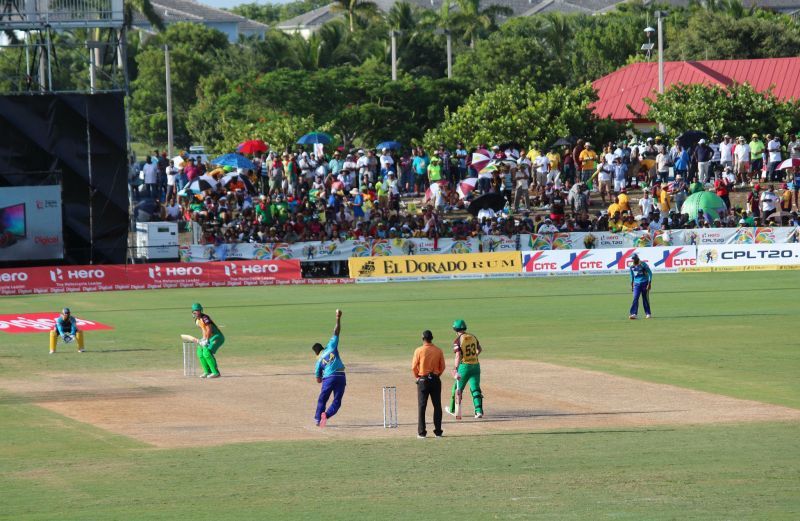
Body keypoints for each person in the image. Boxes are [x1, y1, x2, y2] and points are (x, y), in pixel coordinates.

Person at [312, 309, 346, 428]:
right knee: (337, 402)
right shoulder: (331, 346)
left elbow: (318, 379)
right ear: (323, 347)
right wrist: (338, 317)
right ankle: (326, 415)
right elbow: (336, 332)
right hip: (341, 376)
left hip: (328, 379)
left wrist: (321, 375)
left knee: (322, 399)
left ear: (316, 353)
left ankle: (317, 419)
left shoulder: (318, 362)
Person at [446, 319, 484, 419]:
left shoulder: (458, 340)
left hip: (464, 367)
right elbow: (479, 349)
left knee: (457, 389)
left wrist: (455, 368)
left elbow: (458, 355)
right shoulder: (473, 336)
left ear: (455, 329)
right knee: (475, 389)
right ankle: (478, 411)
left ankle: (452, 409)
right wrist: (474, 356)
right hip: (476, 366)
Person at [411, 329, 445, 438]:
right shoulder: (438, 350)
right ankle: (438, 432)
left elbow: (413, 367)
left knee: (422, 406)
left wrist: (417, 377)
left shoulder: (419, 350)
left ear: (422, 338)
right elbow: (442, 367)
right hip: (435, 379)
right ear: (432, 338)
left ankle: (422, 433)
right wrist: (436, 376)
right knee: (437, 406)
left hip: (423, 380)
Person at [192, 302, 224, 379]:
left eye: (198, 310)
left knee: (206, 352)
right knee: (200, 351)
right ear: (193, 311)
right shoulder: (197, 320)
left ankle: (215, 373)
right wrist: (203, 339)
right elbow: (204, 329)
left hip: (217, 336)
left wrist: (206, 340)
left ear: (201, 310)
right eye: (195, 310)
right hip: (209, 338)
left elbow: (209, 329)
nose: (197, 312)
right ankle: (207, 372)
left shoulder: (205, 318)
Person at [629, 254, 652, 320]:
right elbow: (631, 275)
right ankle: (634, 314)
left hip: (645, 283)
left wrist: (649, 283)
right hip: (636, 284)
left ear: (637, 258)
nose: (633, 260)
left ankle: (648, 313)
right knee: (635, 297)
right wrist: (632, 284)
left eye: (634, 258)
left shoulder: (643, 264)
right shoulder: (631, 266)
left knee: (645, 298)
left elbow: (650, 273)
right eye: (632, 259)